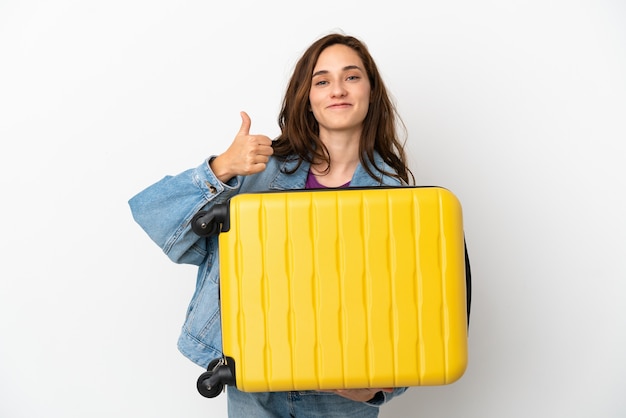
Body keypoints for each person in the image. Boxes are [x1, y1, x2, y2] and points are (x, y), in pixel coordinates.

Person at [129, 32, 415, 418]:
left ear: (370, 92)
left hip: (340, 397)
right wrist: (222, 167)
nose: (337, 90)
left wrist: (375, 391)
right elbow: (158, 221)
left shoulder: (396, 195)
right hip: (257, 383)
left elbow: (412, 310)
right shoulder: (259, 170)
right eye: (322, 80)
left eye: (351, 76)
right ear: (307, 98)